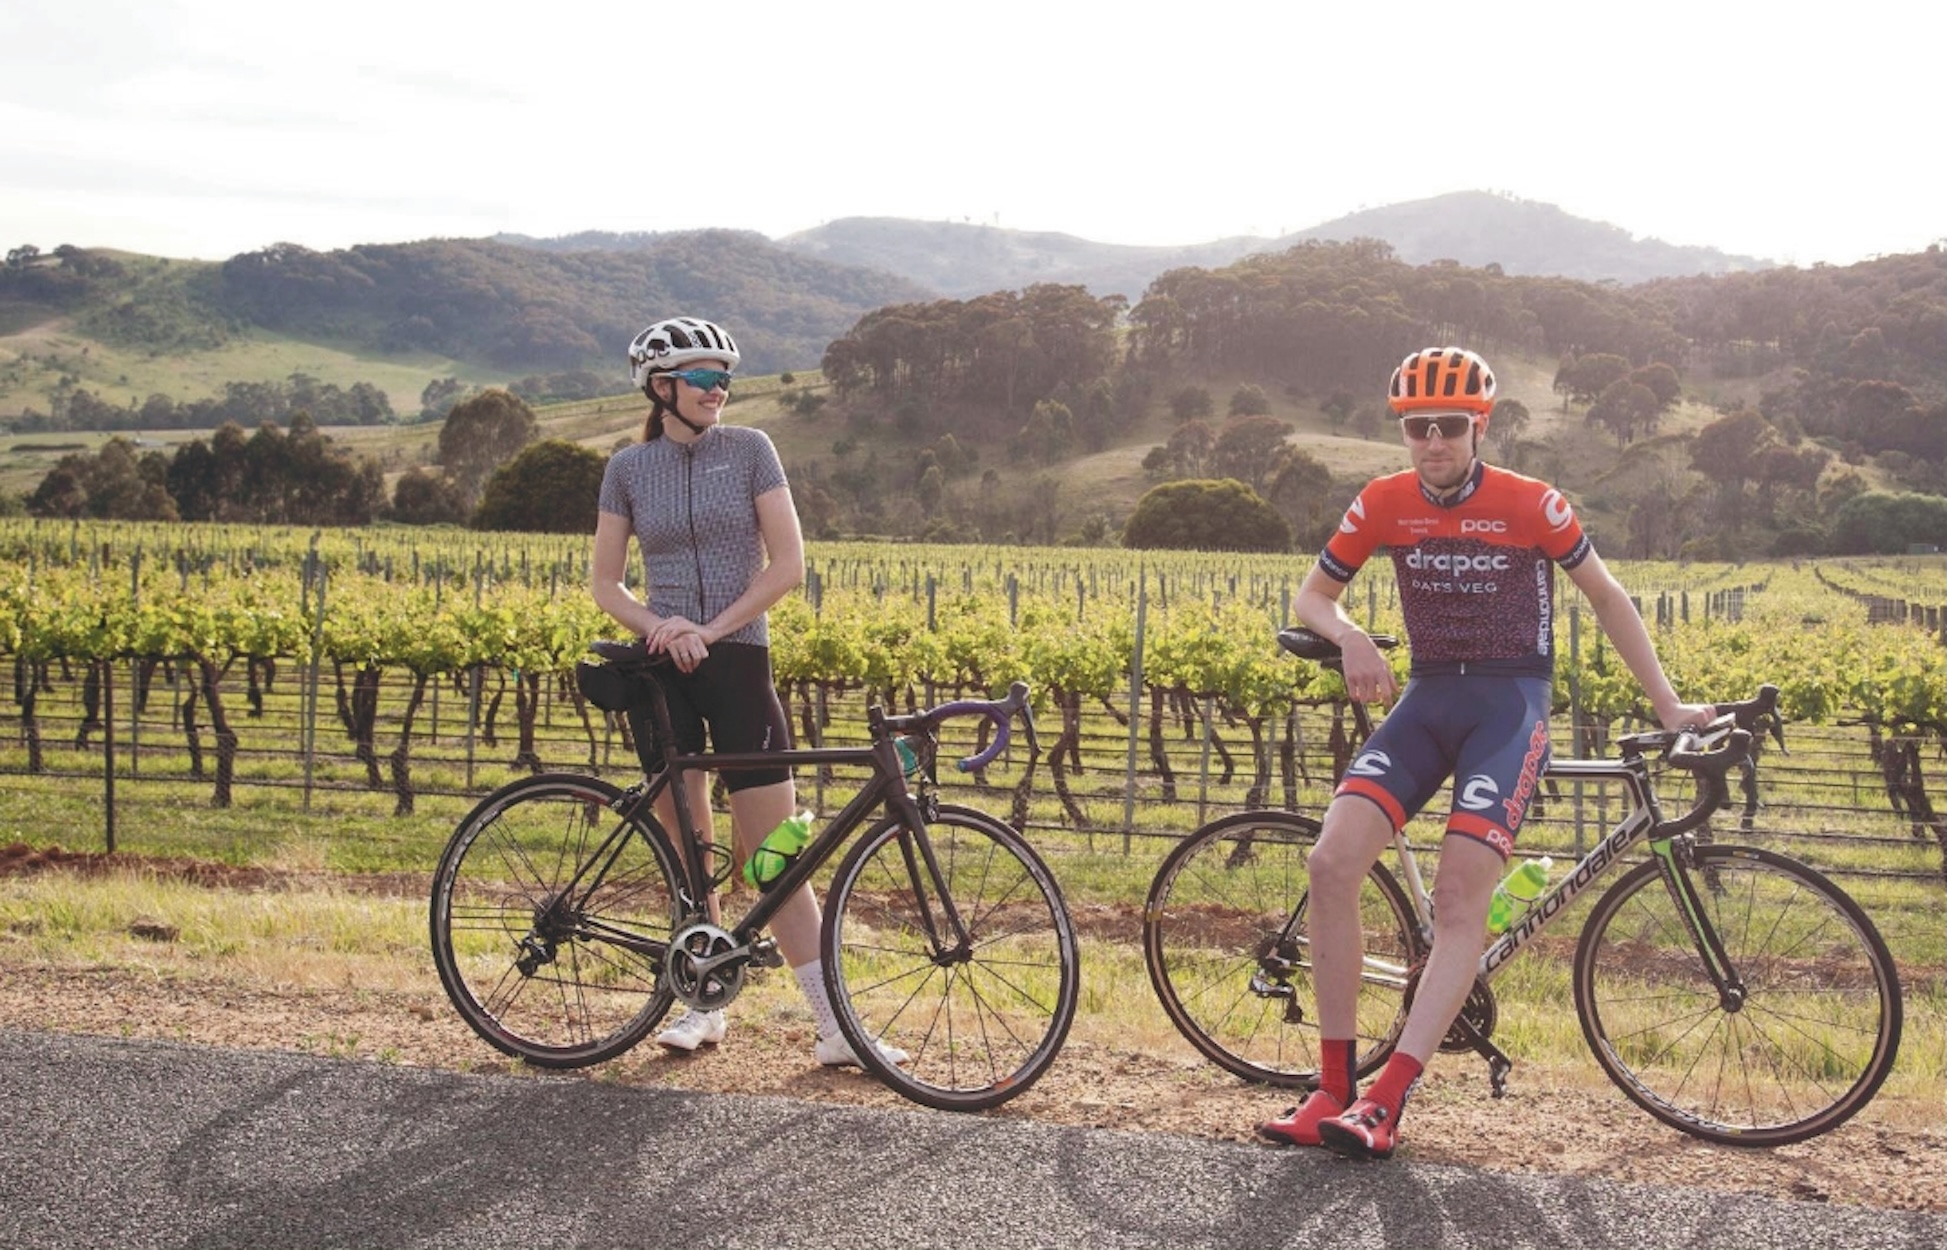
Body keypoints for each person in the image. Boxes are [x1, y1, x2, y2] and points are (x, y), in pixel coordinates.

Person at [1256, 346, 1711, 1160]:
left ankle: (1385, 1102)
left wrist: (1667, 704)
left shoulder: (1532, 503)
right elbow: (1312, 595)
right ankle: (1331, 1088)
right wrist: (1349, 635)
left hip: (1507, 705)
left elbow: (1606, 597)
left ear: (1479, 426)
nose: (1432, 441)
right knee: (1330, 863)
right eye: (1416, 427)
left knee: (1461, 899)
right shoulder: (1383, 502)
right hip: (1427, 698)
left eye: (1448, 426)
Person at [590, 314, 905, 1069]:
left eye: (724, 378)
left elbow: (788, 565)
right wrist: (663, 627)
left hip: (737, 663)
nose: (717, 390)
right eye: (702, 377)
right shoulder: (628, 470)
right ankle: (703, 1004)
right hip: (661, 670)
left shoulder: (751, 450)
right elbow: (606, 583)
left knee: (776, 857)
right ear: (660, 387)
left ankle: (836, 1029)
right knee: (689, 854)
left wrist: (711, 628)